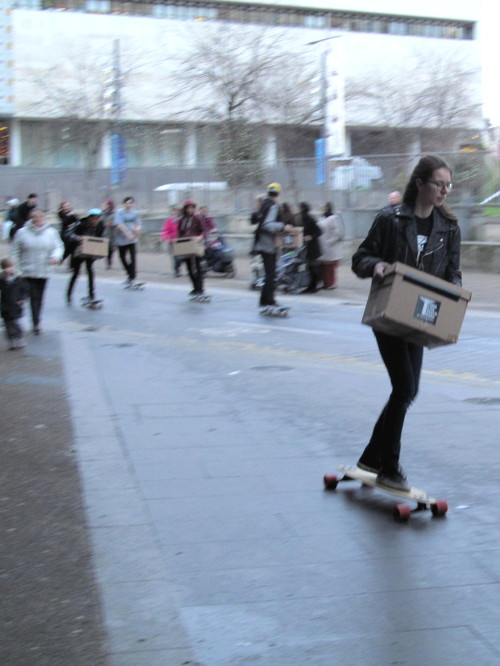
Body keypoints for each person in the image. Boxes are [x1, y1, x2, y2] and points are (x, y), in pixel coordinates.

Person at [351, 155, 462, 491]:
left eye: (448, 185)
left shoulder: (449, 227)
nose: (445, 191)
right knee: (404, 387)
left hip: (420, 316)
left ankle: (372, 456)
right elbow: (360, 258)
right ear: (419, 184)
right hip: (389, 313)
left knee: (408, 389)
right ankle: (389, 467)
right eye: (439, 184)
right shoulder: (391, 219)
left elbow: (451, 271)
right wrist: (377, 266)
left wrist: (453, 292)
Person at [10, 208, 63, 334]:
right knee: (27, 297)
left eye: (39, 216)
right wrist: (15, 268)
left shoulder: (51, 232)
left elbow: (59, 246)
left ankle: (36, 321)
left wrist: (56, 257)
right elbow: (15, 251)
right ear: (30, 218)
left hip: (43, 271)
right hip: (26, 271)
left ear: (43, 218)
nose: (36, 219)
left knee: (38, 298)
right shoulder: (22, 233)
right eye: (34, 216)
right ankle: (21, 320)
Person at [252, 183, 293, 308]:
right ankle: (269, 300)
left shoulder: (264, 204)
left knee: (269, 273)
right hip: (268, 244)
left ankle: (264, 299)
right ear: (279, 194)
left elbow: (255, 219)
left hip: (261, 243)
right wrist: (282, 226)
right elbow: (267, 224)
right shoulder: (273, 206)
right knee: (271, 273)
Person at [64, 209, 105, 304]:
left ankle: (92, 295)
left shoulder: (100, 225)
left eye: (98, 218)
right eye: (94, 218)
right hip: (79, 252)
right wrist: (77, 238)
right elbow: (68, 233)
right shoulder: (80, 223)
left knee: (90, 271)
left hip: (90, 251)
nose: (96, 221)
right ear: (90, 218)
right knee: (76, 273)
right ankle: (69, 294)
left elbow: (102, 236)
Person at [176, 199, 206, 295]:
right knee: (189, 268)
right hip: (186, 244)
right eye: (188, 208)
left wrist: (200, 237)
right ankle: (194, 287)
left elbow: (204, 231)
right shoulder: (182, 220)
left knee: (197, 266)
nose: (190, 210)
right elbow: (180, 232)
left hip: (196, 243)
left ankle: (200, 288)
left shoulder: (197, 218)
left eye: (192, 207)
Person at [0, 257, 28, 350]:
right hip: (5, 306)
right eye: (6, 267)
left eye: (10, 267)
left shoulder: (19, 279)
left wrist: (22, 299)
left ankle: (19, 338)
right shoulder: (2, 280)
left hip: (16, 305)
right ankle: (11, 340)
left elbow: (25, 290)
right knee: (8, 325)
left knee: (16, 323)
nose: (8, 269)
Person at [113, 196, 142, 287]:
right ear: (124, 204)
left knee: (133, 258)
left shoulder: (135, 213)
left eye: (131, 203)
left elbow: (138, 224)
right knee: (122, 257)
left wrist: (136, 231)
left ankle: (133, 277)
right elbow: (119, 224)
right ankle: (129, 273)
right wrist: (127, 234)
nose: (129, 204)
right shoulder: (119, 213)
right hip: (122, 239)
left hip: (132, 239)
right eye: (127, 203)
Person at [318, 202, 343, 289]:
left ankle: (331, 284)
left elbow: (337, 233)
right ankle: (324, 283)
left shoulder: (333, 218)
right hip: (322, 245)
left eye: (324, 207)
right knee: (323, 267)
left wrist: (330, 242)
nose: (322, 208)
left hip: (330, 246)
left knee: (330, 267)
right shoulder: (321, 218)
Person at [298, 202, 322, 293]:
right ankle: (311, 286)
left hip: (312, 247)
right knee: (309, 267)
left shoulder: (309, 219)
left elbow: (319, 231)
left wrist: (311, 236)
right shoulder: (303, 218)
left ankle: (314, 286)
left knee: (313, 267)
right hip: (307, 247)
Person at [161, 205, 182, 277]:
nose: (176, 212)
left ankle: (178, 268)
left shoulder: (182, 220)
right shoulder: (169, 220)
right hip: (172, 241)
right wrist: (165, 237)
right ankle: (176, 270)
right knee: (176, 257)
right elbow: (166, 230)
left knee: (181, 257)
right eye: (175, 211)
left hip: (181, 241)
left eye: (178, 211)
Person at [57, 201, 79, 266]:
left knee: (73, 249)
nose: (67, 207)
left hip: (72, 233)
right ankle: (60, 260)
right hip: (65, 234)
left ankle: (72, 265)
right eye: (65, 206)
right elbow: (64, 222)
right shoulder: (60, 213)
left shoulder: (72, 213)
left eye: (68, 206)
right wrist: (70, 216)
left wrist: (72, 222)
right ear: (62, 207)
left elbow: (77, 221)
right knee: (65, 249)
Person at [101, 198, 116, 269]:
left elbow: (117, 222)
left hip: (112, 233)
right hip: (104, 233)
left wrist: (112, 223)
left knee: (111, 249)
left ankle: (110, 261)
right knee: (106, 249)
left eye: (105, 204)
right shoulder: (102, 213)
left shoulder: (114, 214)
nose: (104, 206)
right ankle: (108, 264)